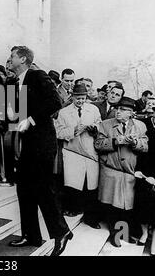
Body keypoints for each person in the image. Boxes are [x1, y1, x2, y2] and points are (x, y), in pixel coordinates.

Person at [7, 46, 72, 256]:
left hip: (43, 143)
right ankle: (31, 234)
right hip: (27, 143)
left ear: (23, 59)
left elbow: (55, 102)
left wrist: (31, 120)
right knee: (24, 188)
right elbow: (15, 114)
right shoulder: (13, 82)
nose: (9, 60)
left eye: (12, 56)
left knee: (43, 188)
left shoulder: (37, 75)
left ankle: (61, 232)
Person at [95, 97, 148, 247]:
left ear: (131, 113)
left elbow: (145, 146)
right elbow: (98, 144)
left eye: (123, 110)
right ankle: (116, 235)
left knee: (126, 207)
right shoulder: (105, 125)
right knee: (113, 207)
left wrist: (135, 143)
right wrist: (116, 141)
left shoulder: (140, 126)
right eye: (117, 108)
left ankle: (124, 234)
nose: (118, 111)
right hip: (112, 171)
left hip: (129, 173)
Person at [54, 83, 101, 228]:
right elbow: (58, 133)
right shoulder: (64, 112)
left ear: (86, 97)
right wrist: (75, 129)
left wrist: (94, 129)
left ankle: (90, 216)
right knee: (73, 183)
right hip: (72, 151)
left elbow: (100, 126)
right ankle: (72, 209)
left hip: (90, 151)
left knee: (91, 184)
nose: (80, 101)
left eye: (83, 98)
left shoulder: (93, 109)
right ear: (72, 97)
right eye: (77, 98)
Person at [134, 118, 155, 256]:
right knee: (142, 210)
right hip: (145, 182)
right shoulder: (148, 142)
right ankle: (144, 234)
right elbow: (140, 160)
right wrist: (142, 174)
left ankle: (153, 246)